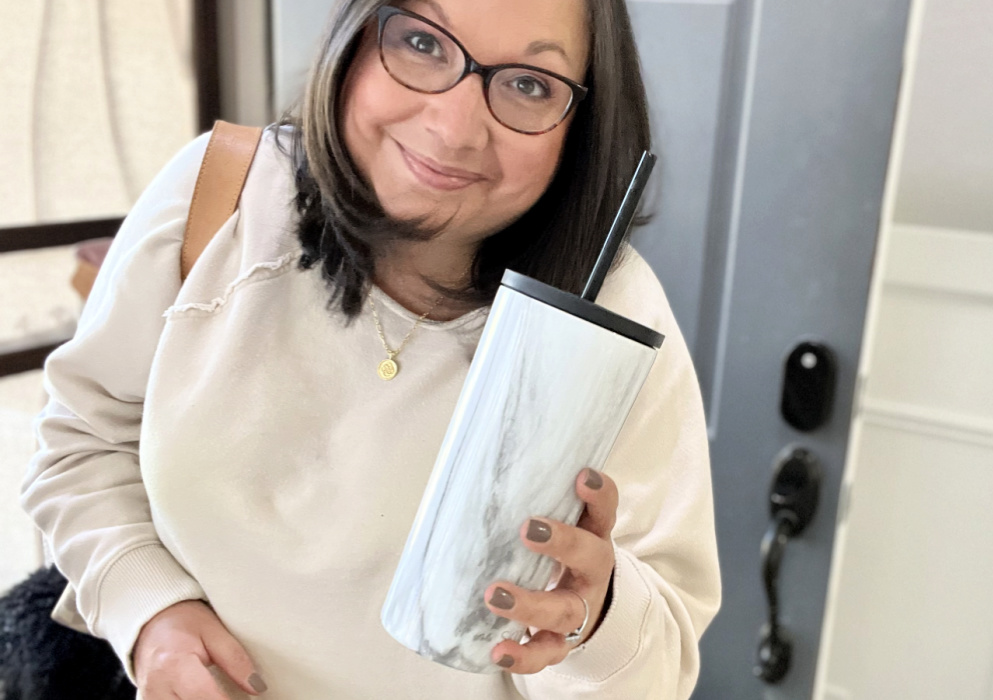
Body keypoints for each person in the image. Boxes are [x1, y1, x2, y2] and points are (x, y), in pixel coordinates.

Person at [20, 0, 720, 697]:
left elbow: (655, 673)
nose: (451, 128)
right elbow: (83, 444)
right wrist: (150, 612)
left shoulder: (609, 319)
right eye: (422, 43)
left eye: (529, 84)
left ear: (585, 123)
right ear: (355, 38)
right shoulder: (222, 199)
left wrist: (596, 622)